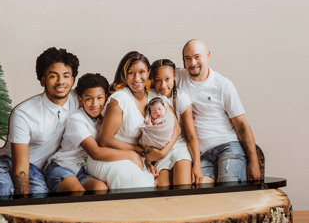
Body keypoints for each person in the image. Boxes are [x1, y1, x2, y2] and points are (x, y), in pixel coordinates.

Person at [0, 47, 80, 197]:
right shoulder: (24, 113)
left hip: (35, 169)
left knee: (39, 200)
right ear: (43, 80)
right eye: (53, 76)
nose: (61, 82)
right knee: (2, 194)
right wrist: (23, 203)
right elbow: (21, 169)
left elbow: (108, 92)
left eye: (66, 76)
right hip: (6, 163)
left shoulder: (79, 99)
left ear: (72, 80)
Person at [86, 51, 180, 189]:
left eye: (141, 72)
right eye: (131, 73)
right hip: (111, 155)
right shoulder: (120, 98)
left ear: (149, 73)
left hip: (136, 156)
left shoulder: (155, 95)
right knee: (141, 186)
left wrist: (162, 152)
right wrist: (139, 151)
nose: (137, 78)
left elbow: (176, 128)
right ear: (124, 75)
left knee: (154, 184)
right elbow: (105, 140)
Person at [175, 39, 261, 183]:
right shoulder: (178, 77)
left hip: (227, 146)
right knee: (201, 194)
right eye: (188, 58)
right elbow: (150, 77)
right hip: (201, 154)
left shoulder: (223, 85)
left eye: (197, 57)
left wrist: (254, 163)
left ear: (207, 55)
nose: (193, 63)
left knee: (228, 192)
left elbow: (242, 126)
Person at [44, 73, 143, 193]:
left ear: (106, 97)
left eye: (99, 98)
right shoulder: (76, 119)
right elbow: (95, 152)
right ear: (81, 99)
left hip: (83, 170)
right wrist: (131, 154)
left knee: (101, 189)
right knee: (77, 191)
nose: (95, 104)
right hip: (63, 166)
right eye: (89, 99)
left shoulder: (103, 120)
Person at [150, 59, 202, 185]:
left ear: (174, 75)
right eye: (158, 80)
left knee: (183, 187)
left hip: (180, 147)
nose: (163, 85)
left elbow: (191, 135)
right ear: (152, 79)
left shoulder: (181, 98)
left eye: (167, 79)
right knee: (162, 190)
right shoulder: (149, 97)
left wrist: (197, 166)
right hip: (161, 150)